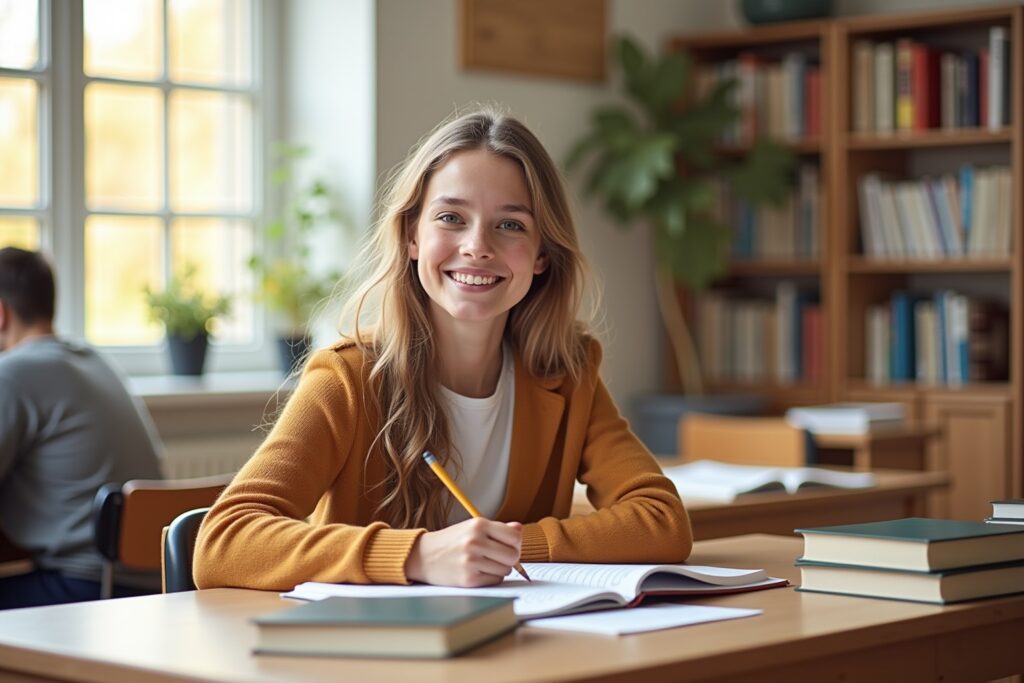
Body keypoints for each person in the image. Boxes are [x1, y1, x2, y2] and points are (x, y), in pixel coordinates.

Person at [194, 108, 692, 591]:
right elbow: (222, 542)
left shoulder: (568, 372)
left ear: (543, 254)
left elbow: (662, 521)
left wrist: (510, 549)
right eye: (451, 217)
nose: (477, 246)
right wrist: (417, 556)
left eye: (511, 224)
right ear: (412, 236)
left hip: (521, 638)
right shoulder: (346, 377)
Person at [0, 247, 164, 608]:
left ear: (1, 313)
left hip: (89, 590)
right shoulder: (93, 359)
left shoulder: (13, 373)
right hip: (154, 584)